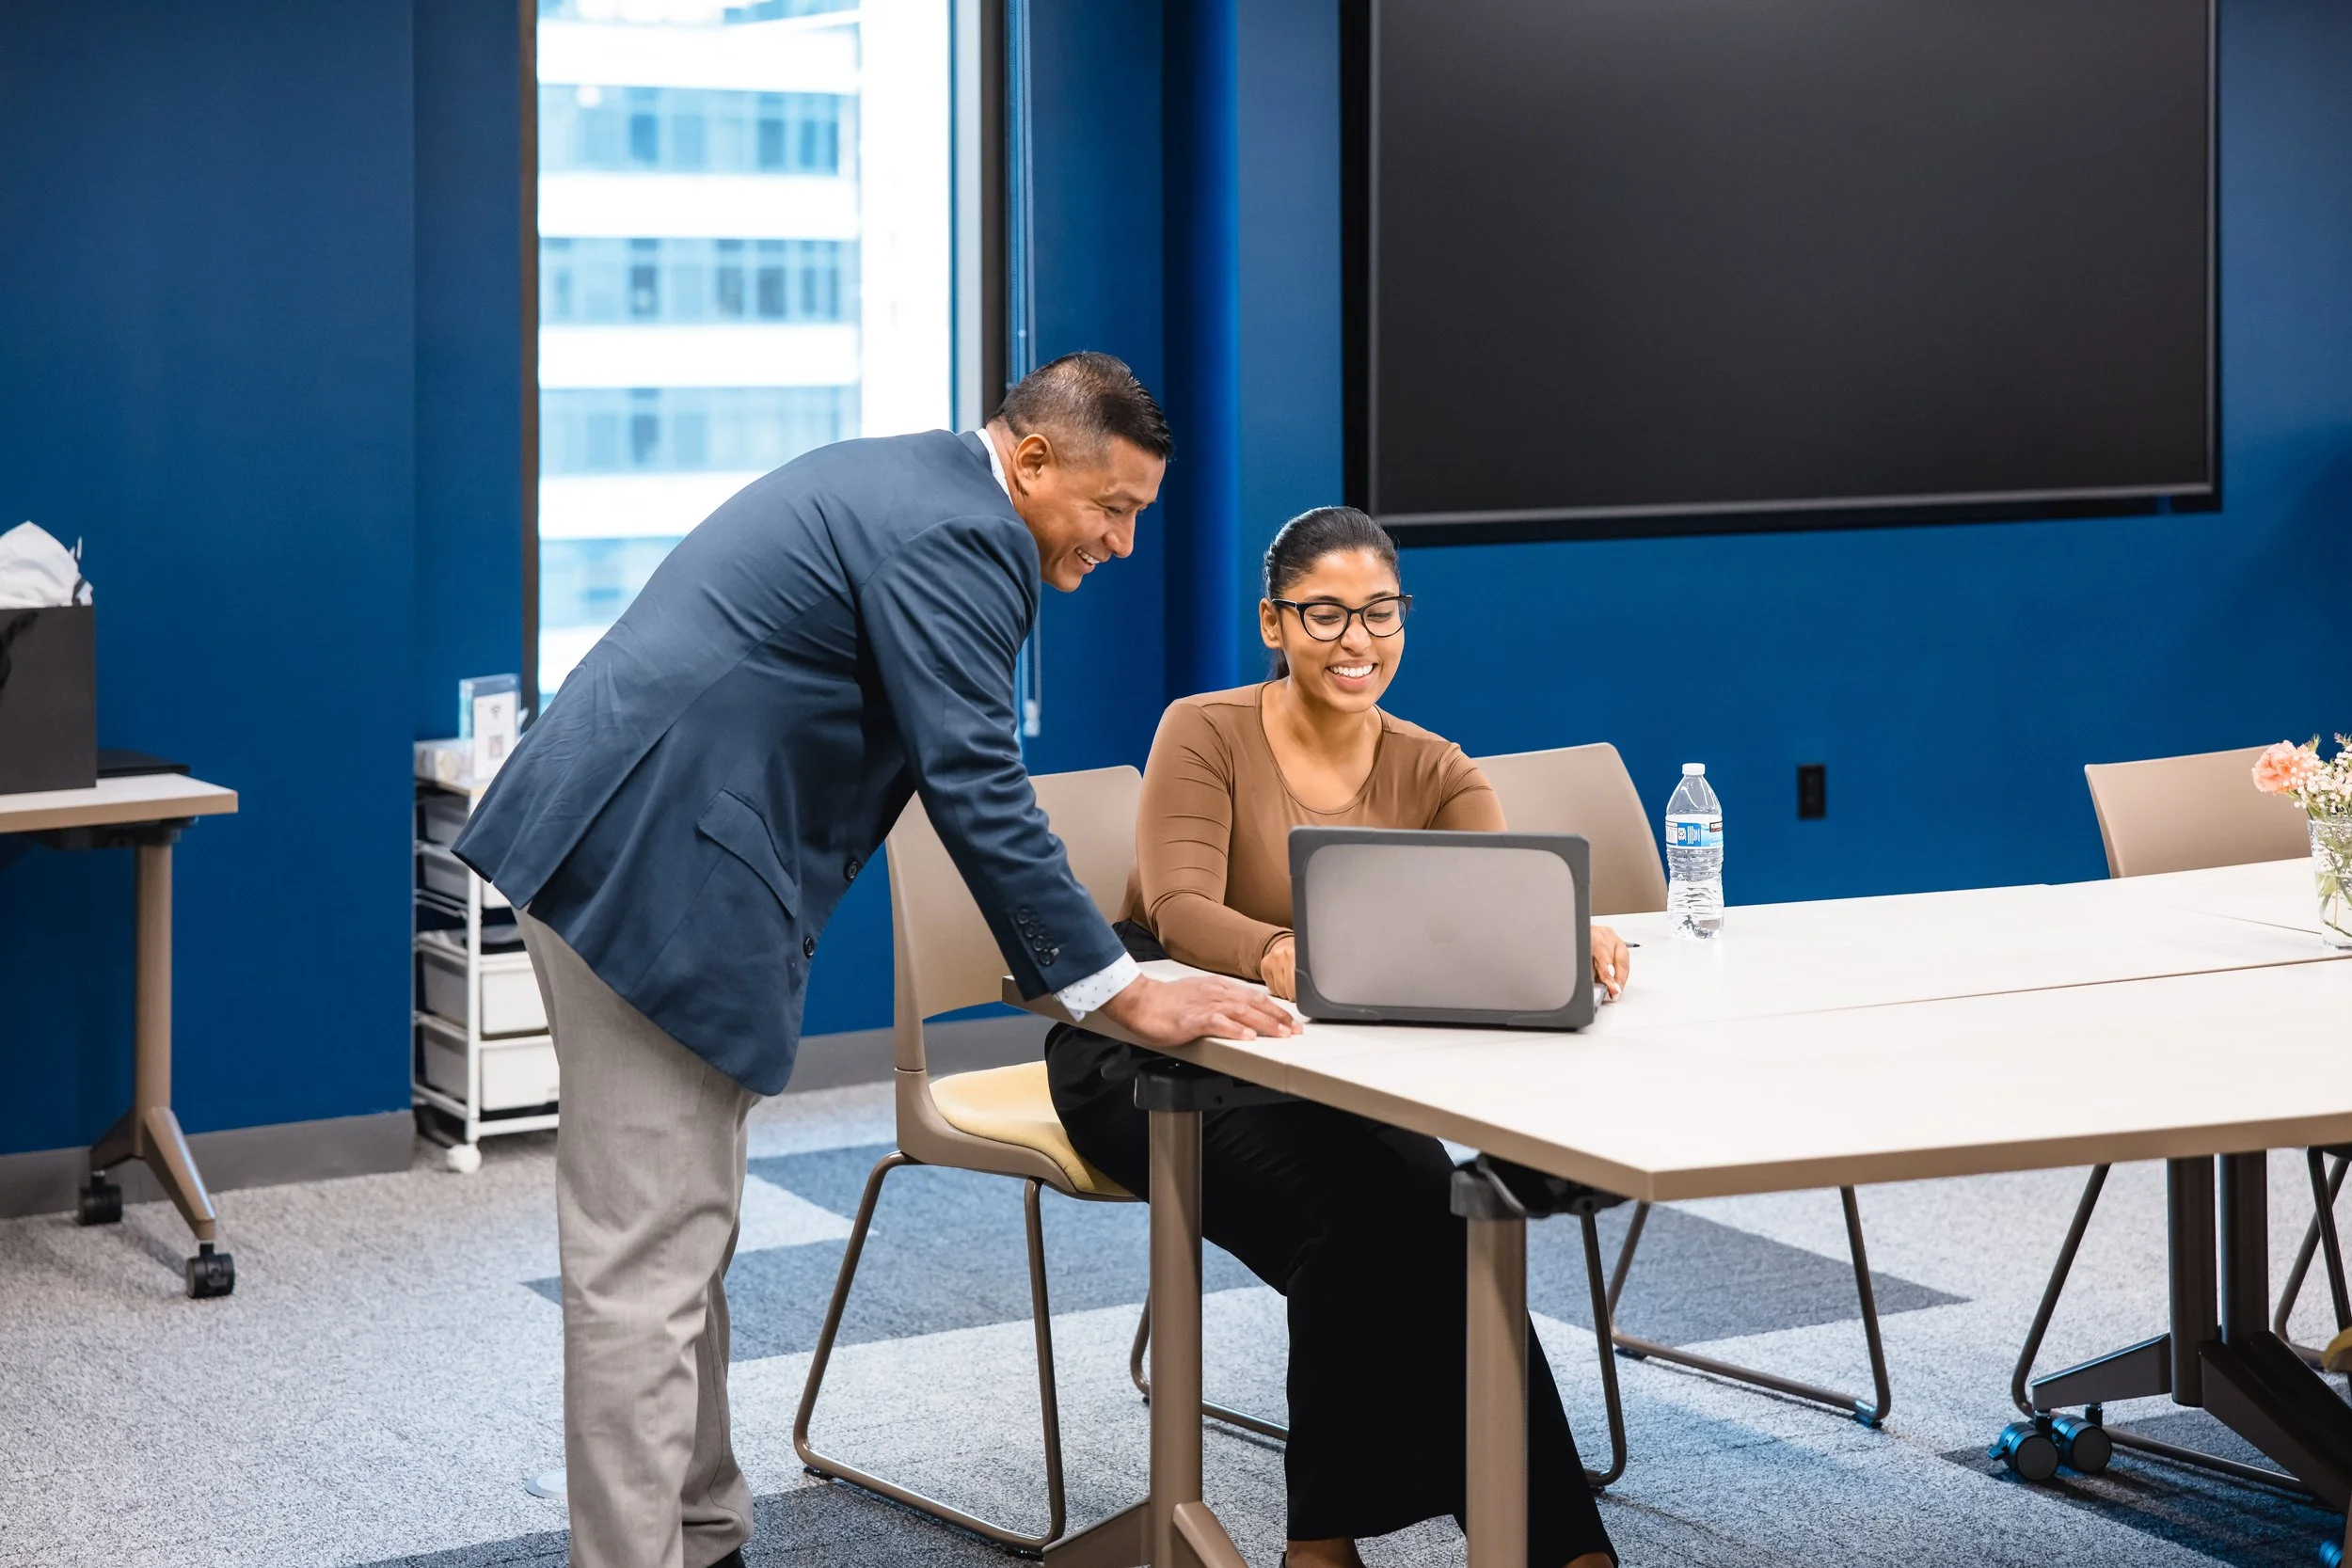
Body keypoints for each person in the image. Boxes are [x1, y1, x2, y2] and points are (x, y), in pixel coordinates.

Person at [453, 353, 1298, 1568]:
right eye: (1111, 510)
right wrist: (1117, 988)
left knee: (680, 1235)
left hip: (639, 846)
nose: (1120, 543)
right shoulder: (963, 533)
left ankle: (702, 1535)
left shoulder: (910, 482)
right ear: (1034, 458)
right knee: (643, 1263)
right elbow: (974, 779)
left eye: (1139, 519)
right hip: (653, 874)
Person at [1045, 506, 1628, 1568]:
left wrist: (1556, 926)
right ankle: (1333, 1543)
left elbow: (1485, 915)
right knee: (1372, 1214)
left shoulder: (1436, 766)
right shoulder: (1205, 727)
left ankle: (1533, 1541)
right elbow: (1176, 906)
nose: (1356, 639)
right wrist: (1273, 948)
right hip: (1160, 1047)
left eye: (1379, 612)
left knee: (1433, 1214)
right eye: (1324, 612)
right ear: (1273, 621)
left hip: (1327, 1066)